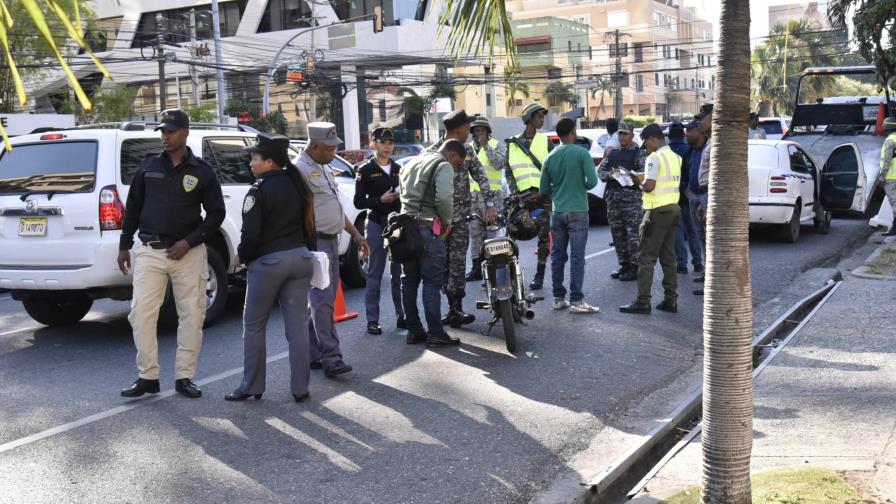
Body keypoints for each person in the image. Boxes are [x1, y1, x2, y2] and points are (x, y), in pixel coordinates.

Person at [117, 109, 225, 399]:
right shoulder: (148, 166)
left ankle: (184, 376)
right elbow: (134, 208)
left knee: (191, 314)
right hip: (150, 251)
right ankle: (148, 377)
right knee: (140, 314)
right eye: (162, 131)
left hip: (187, 255)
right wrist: (123, 245)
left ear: (185, 132)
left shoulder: (201, 171)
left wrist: (189, 242)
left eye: (171, 131)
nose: (165, 136)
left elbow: (216, 214)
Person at [226, 133, 317, 403]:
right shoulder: (298, 185)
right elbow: (310, 225)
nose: (251, 164)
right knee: (298, 326)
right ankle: (301, 388)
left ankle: (252, 385)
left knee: (254, 325)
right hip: (301, 259)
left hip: (269, 263)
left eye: (255, 158)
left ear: (270, 162)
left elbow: (251, 234)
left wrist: (241, 257)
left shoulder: (258, 190)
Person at [296, 122, 370, 378]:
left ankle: (312, 354)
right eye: (329, 149)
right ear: (315, 146)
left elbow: (335, 208)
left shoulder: (323, 167)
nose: (333, 154)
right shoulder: (300, 170)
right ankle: (332, 358)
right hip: (315, 243)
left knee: (316, 302)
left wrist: (357, 235)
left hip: (331, 240)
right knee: (323, 302)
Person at [427, 109, 497, 327]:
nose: (470, 132)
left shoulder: (466, 150)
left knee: (457, 264)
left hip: (459, 220)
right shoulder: (433, 152)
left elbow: (480, 175)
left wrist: (490, 204)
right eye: (467, 129)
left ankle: (455, 308)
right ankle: (447, 308)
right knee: (442, 266)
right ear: (458, 129)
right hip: (437, 222)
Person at [399, 140, 465, 347]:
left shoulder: (412, 163)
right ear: (452, 155)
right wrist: (447, 223)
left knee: (408, 281)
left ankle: (414, 330)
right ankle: (436, 332)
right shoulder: (442, 165)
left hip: (404, 230)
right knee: (431, 282)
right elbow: (444, 198)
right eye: (457, 163)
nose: (455, 167)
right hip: (428, 229)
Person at [620, 123, 682, 315]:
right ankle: (671, 300)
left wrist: (638, 181)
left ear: (653, 139)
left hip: (656, 211)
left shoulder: (654, 157)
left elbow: (650, 186)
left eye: (646, 144)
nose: (645, 148)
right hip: (673, 208)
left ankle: (643, 301)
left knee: (646, 257)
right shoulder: (675, 157)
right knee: (668, 257)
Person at [540, 118, 600, 313]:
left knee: (557, 255)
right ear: (573, 132)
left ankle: (558, 298)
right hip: (578, 211)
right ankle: (576, 300)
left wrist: (559, 188)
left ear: (558, 135)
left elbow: (543, 188)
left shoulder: (550, 157)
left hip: (557, 212)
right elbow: (592, 182)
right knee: (577, 256)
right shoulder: (581, 153)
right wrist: (578, 183)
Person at [354, 127, 404, 335]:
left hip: (397, 224)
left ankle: (402, 316)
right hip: (376, 223)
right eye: (383, 142)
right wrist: (379, 201)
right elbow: (358, 202)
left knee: (398, 273)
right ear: (373, 144)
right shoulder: (365, 170)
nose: (387, 146)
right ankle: (372, 320)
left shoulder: (399, 168)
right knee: (374, 272)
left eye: (390, 142)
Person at [506, 102, 554, 290]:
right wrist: (515, 191)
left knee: (543, 238)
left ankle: (539, 276)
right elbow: (509, 171)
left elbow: (552, 170)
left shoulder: (545, 141)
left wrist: (543, 191)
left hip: (542, 196)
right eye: (539, 116)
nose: (542, 120)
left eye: (543, 117)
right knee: (512, 233)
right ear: (529, 119)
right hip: (521, 197)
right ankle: (510, 275)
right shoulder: (513, 143)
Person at [597, 121, 644, 281]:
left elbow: (642, 174)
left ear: (632, 135)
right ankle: (623, 264)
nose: (622, 137)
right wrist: (611, 174)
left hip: (631, 200)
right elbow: (601, 172)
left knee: (633, 235)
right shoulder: (613, 153)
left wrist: (629, 174)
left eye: (625, 134)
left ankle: (635, 266)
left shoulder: (639, 153)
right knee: (617, 234)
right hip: (613, 199)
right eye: (620, 134)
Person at [466, 117, 506, 282]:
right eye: (476, 131)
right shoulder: (468, 148)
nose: (479, 133)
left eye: (482, 130)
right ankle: (476, 267)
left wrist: (485, 146)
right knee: (475, 234)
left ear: (488, 131)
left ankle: (494, 271)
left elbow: (498, 164)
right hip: (473, 197)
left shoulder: (498, 145)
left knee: (493, 234)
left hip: (492, 198)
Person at [668, 122, 702, 274]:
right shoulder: (689, 150)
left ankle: (681, 264)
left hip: (671, 196)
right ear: (683, 134)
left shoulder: (666, 152)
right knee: (692, 230)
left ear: (669, 136)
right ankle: (697, 263)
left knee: (677, 230)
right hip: (688, 194)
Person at [679, 122, 707, 276]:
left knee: (709, 234)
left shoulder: (708, 150)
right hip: (694, 196)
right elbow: (683, 174)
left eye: (689, 131)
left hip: (706, 195)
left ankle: (710, 273)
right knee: (699, 234)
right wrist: (685, 189)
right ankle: (704, 271)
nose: (687, 134)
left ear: (699, 131)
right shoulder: (689, 152)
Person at [693, 103, 714, 292]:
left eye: (702, 118)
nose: (698, 122)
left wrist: (709, 204)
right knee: (704, 238)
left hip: (711, 194)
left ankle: (713, 281)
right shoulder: (709, 140)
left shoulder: (718, 142)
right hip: (704, 194)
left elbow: (718, 174)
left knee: (711, 239)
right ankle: (709, 276)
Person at [879, 117, 896, 236]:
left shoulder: (890, 140)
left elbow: (887, 160)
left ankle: (895, 229)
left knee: (894, 203)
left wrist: (882, 176)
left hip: (891, 177)